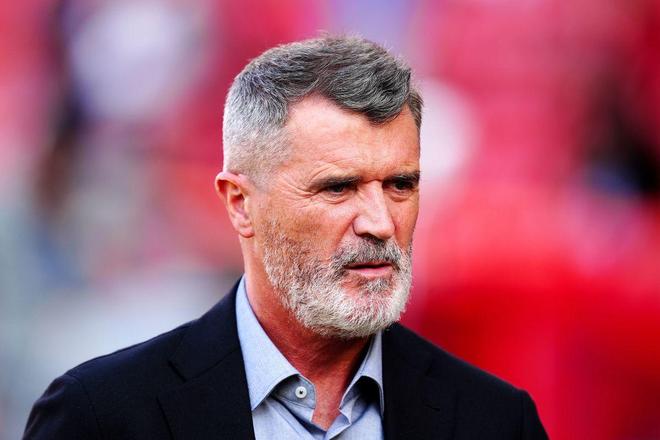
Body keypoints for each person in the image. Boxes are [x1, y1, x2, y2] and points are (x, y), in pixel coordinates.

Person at [24, 36, 548, 439]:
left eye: (400, 185)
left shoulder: (497, 422)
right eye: (338, 188)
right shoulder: (100, 417)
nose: (381, 222)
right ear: (240, 204)